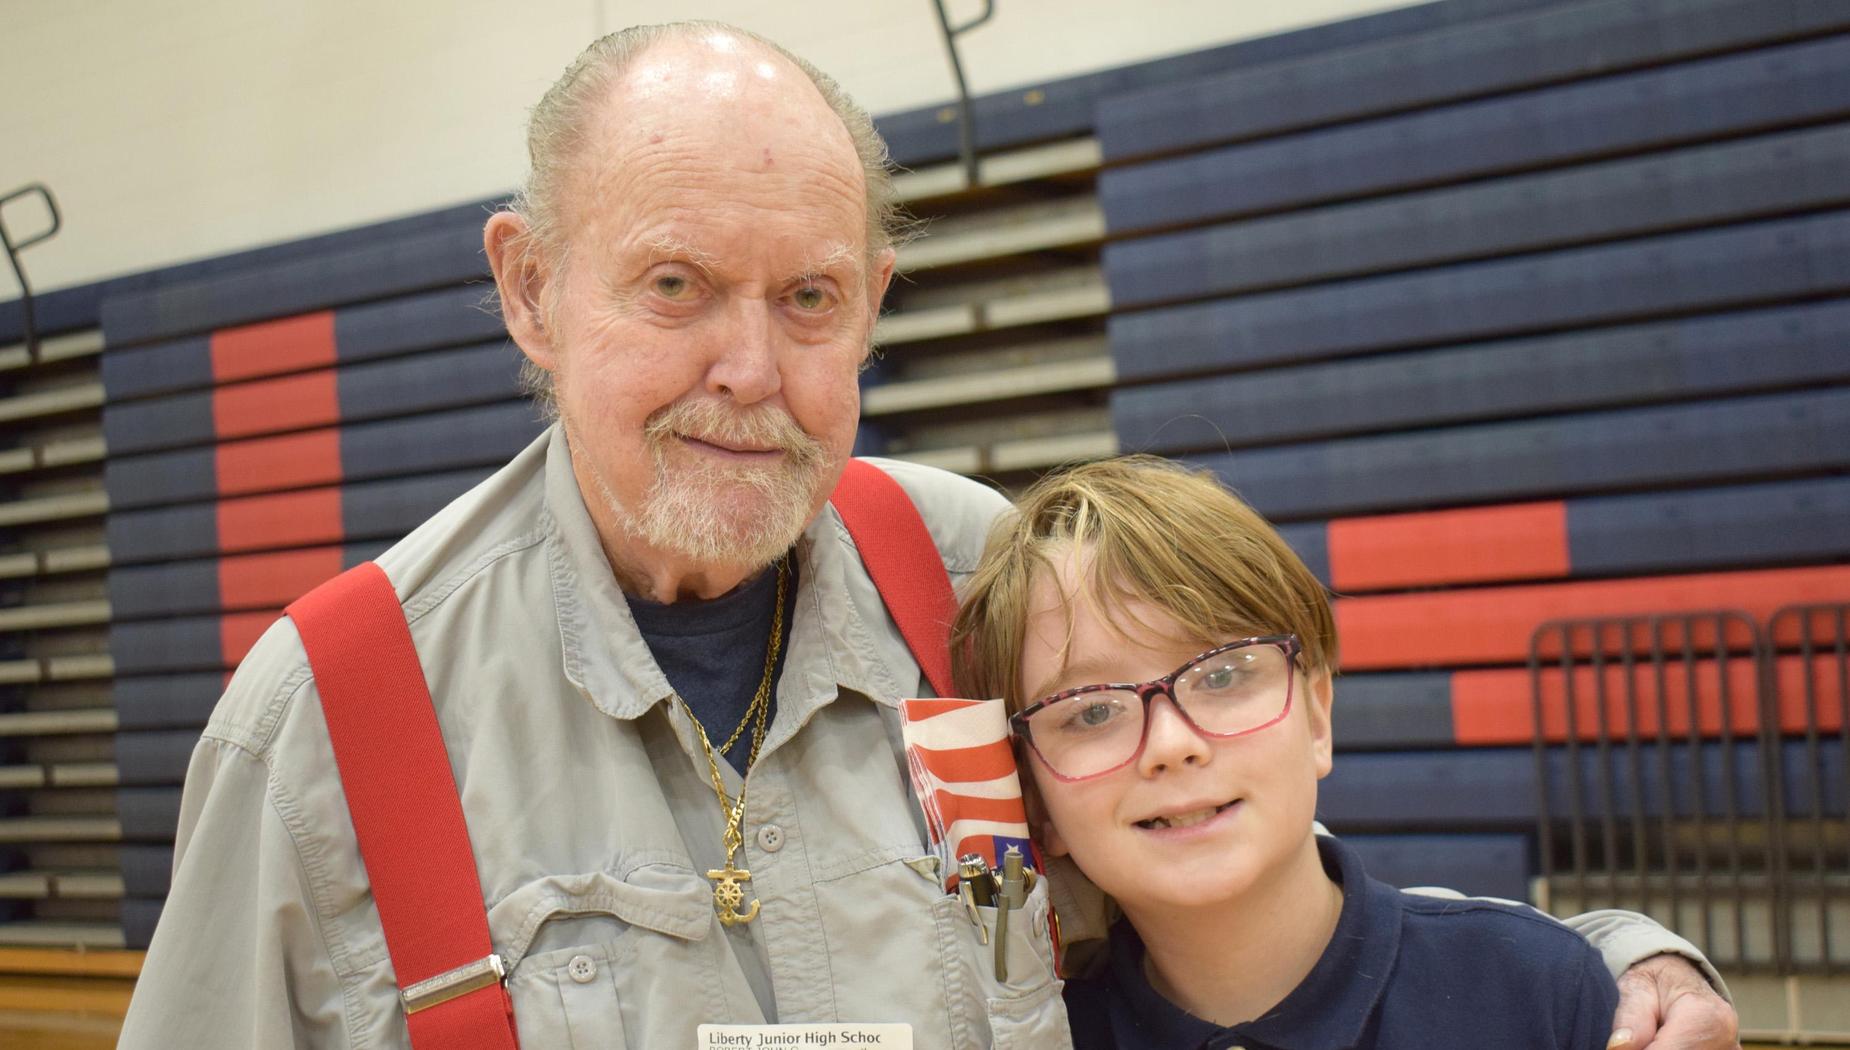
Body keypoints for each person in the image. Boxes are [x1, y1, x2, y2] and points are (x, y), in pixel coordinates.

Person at [119, 21, 1741, 1050]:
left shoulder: (970, 581)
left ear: (875, 307)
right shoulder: (326, 723)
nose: (750, 371)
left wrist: (1615, 968)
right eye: (676, 286)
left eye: (809, 299)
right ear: (532, 288)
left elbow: (1243, 879)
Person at [953, 456, 1639, 1048]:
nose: (1172, 745)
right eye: (1092, 711)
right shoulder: (1046, 1037)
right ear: (1035, 802)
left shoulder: (1541, 993)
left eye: (1222, 674)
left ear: (1317, 716)